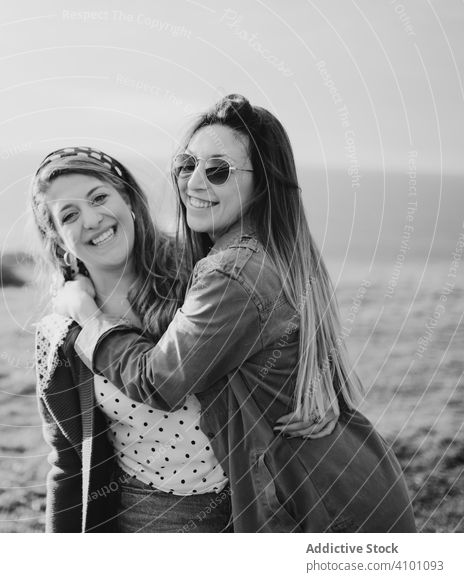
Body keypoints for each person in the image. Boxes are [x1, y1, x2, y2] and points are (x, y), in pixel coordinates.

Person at [57, 95, 417, 532]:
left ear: (260, 184)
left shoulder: (232, 272)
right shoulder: (266, 248)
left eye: (218, 170)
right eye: (187, 164)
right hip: (346, 480)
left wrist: (86, 315)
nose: (194, 182)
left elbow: (158, 380)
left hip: (322, 505)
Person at [31, 145, 334, 533]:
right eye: (69, 215)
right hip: (153, 513)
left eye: (99, 197)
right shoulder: (58, 335)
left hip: (260, 494)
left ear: (128, 199)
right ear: (57, 238)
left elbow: (285, 316)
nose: (91, 219)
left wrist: (320, 377)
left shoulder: (201, 271)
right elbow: (67, 461)